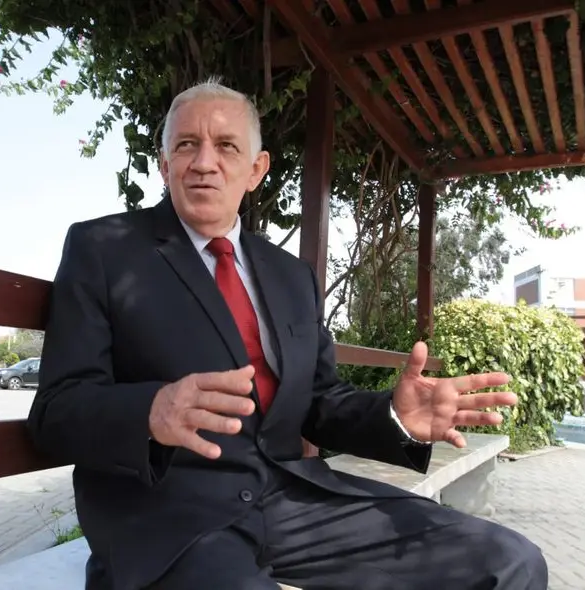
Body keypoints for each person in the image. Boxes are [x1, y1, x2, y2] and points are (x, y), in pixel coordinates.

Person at [27, 78, 548, 590]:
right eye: (186, 145)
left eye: (226, 146)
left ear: (256, 170)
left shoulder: (289, 275)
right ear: (165, 165)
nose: (204, 162)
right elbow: (55, 411)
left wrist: (394, 416)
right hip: (172, 520)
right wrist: (151, 411)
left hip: (290, 498)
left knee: (510, 561)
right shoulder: (105, 249)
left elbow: (320, 400)